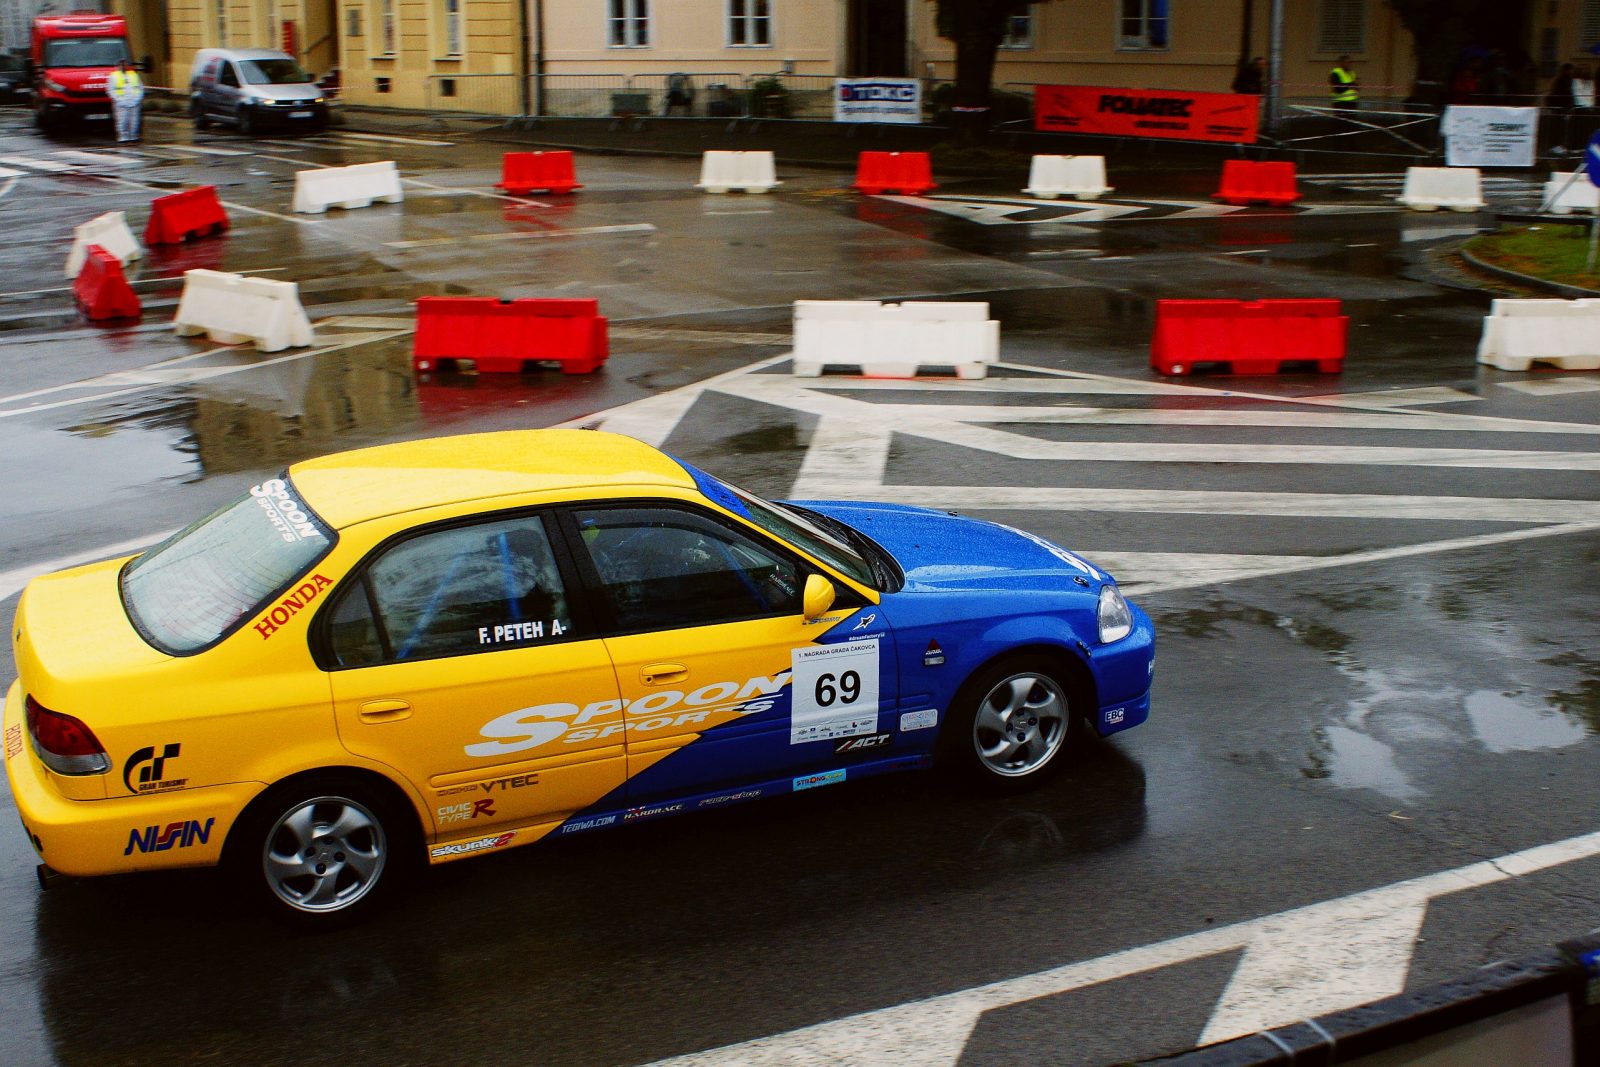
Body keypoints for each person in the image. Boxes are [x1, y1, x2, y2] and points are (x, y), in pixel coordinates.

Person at [108, 59, 143, 143]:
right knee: (123, 120)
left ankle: (134, 136)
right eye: (121, 64)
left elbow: (140, 87)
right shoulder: (113, 76)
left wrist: (138, 98)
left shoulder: (134, 75)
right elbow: (110, 90)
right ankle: (123, 136)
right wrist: (118, 99)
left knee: (135, 121)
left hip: (134, 101)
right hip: (121, 102)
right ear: (118, 66)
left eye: (125, 64)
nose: (123, 66)